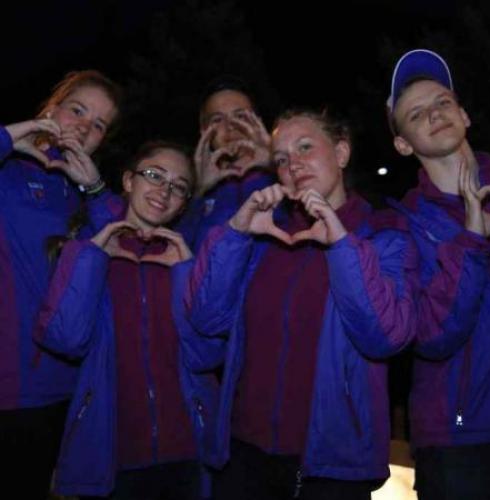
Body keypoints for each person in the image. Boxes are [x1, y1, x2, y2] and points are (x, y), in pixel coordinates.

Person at [187, 109, 417, 499]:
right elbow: (207, 320)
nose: (293, 164)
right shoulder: (266, 234)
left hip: (331, 466)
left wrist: (341, 244)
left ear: (341, 153)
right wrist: (236, 233)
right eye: (281, 159)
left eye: (306, 147)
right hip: (244, 454)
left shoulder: (384, 234)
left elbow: (384, 337)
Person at [34, 141, 222, 499]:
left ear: (184, 203)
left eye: (179, 186)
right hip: (113, 452)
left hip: (186, 448)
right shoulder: (85, 251)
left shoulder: (187, 258)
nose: (164, 191)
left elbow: (207, 355)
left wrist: (185, 272)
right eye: (154, 175)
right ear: (128, 180)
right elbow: (65, 341)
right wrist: (93, 258)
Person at [0, 69, 122, 499]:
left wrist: (95, 188)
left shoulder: (80, 193)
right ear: (51, 109)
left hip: (65, 387)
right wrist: (13, 137)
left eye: (99, 124)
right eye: (77, 110)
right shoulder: (8, 172)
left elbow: (122, 245)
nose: (85, 127)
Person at [386, 49, 490, 499]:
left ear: (464, 115)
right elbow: (433, 336)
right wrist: (472, 238)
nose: (434, 114)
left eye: (443, 102)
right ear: (403, 144)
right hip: (460, 442)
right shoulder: (401, 226)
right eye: (416, 114)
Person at [176, 75, 275, 253]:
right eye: (217, 119)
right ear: (204, 131)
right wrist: (199, 193)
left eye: (240, 116)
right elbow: (179, 256)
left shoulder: (288, 177)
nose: (231, 126)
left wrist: (275, 168)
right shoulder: (186, 191)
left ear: (257, 122)